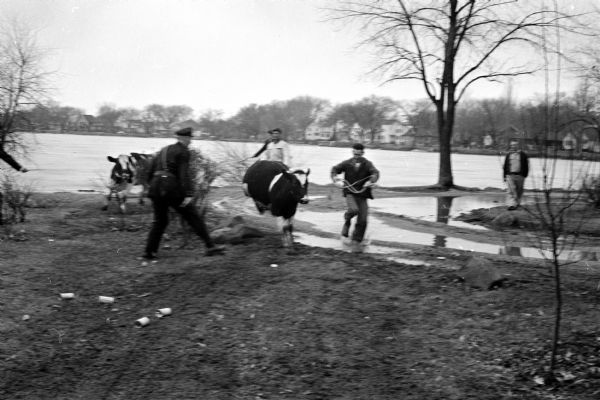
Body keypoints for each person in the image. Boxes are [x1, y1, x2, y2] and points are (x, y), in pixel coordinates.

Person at [143, 127, 224, 260]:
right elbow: (183, 174)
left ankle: (149, 252)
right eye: (189, 138)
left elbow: (150, 172)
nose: (191, 141)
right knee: (193, 216)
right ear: (184, 138)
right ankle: (211, 247)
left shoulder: (163, 150)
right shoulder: (183, 151)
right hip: (170, 189)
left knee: (160, 221)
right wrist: (188, 194)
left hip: (155, 188)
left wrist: (151, 187)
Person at [330, 143, 380, 253]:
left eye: (359, 153)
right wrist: (335, 179)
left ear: (363, 153)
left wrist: (370, 181)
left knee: (363, 219)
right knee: (353, 210)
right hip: (350, 193)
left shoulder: (367, 164)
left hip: (362, 194)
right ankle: (347, 220)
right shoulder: (347, 163)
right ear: (352, 152)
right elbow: (334, 169)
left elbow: (375, 173)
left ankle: (356, 241)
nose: (356, 156)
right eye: (355, 153)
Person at [503, 139, 529, 210]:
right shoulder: (508, 154)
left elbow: (526, 165)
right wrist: (504, 176)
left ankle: (517, 203)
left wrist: (525, 175)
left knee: (519, 191)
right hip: (510, 175)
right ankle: (511, 205)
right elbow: (505, 166)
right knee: (511, 190)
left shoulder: (523, 155)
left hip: (520, 176)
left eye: (514, 145)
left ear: (518, 145)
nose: (513, 146)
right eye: (512, 145)